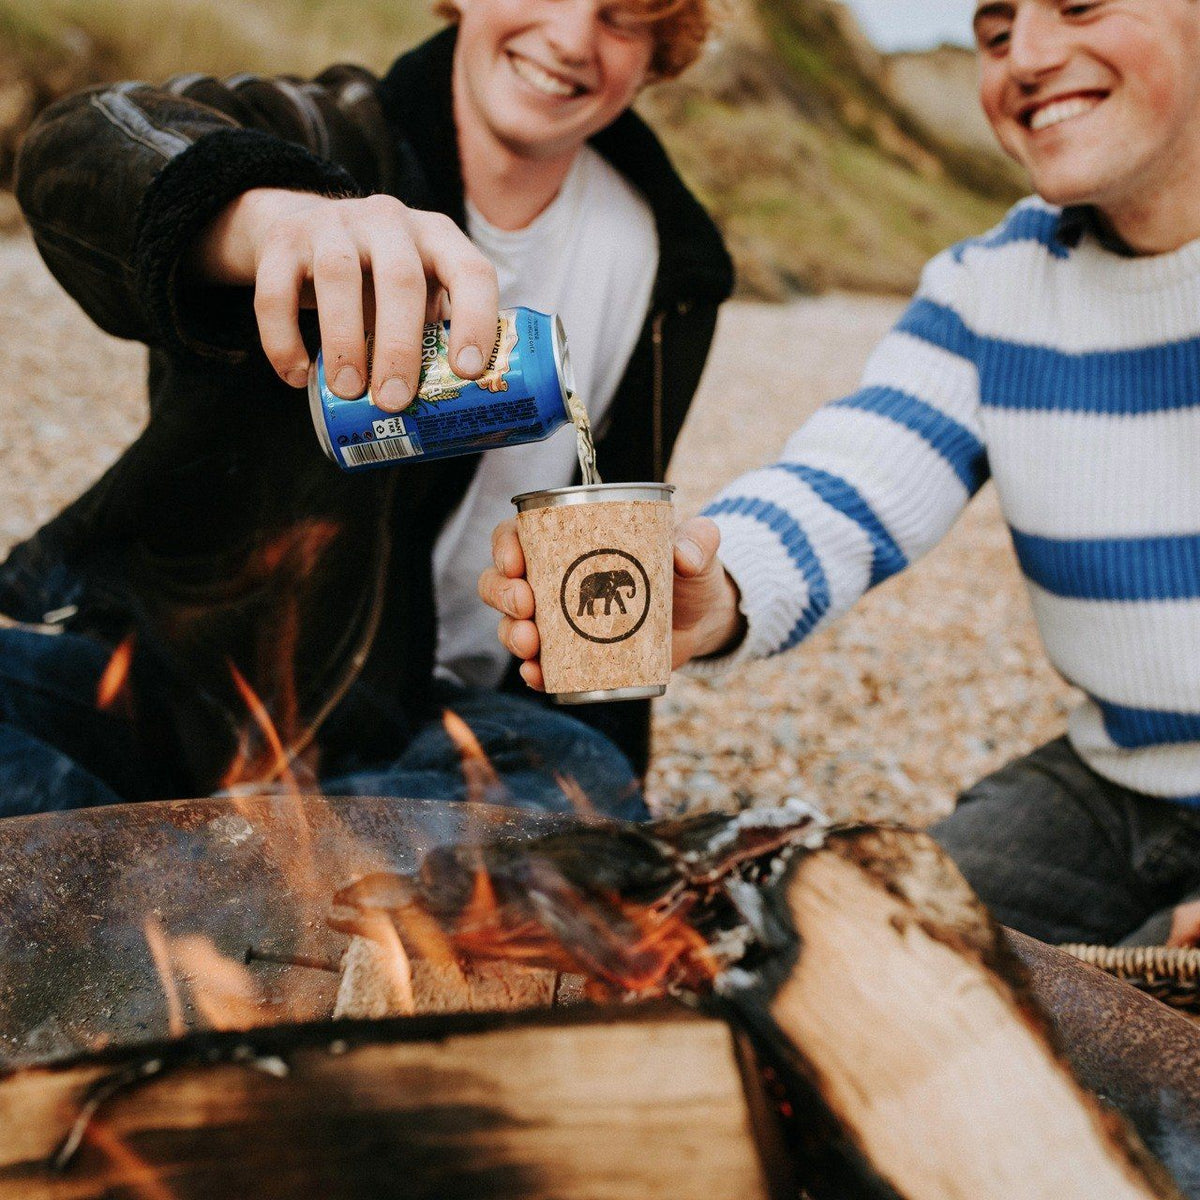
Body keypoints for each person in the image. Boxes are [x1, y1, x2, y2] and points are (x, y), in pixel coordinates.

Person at [482, 0, 1200, 944]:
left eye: (1078, 6)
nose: (1026, 57)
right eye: (994, 31)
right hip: (1112, 784)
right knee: (849, 953)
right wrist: (710, 588)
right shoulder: (995, 287)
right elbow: (850, 481)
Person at [2, 0, 733, 818]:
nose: (569, 38)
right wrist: (276, 216)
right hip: (182, 690)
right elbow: (82, 143)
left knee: (581, 778)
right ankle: (259, 889)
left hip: (433, 729)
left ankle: (149, 880)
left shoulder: (670, 258)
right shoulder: (326, 137)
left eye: (622, 17)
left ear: (662, 50)